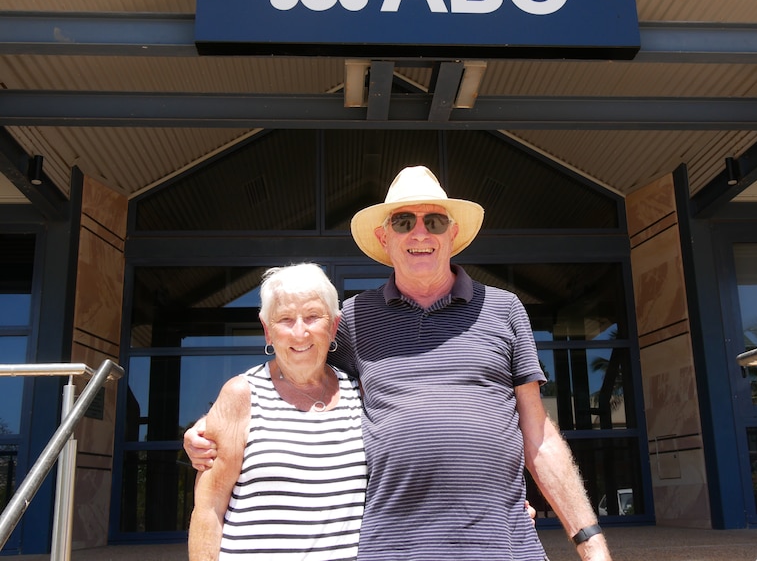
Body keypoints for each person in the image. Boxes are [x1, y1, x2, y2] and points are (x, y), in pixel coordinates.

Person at [187, 166, 612, 561]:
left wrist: (589, 541)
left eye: (435, 221)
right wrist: (214, 426)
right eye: (404, 222)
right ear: (385, 237)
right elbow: (299, 363)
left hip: (500, 542)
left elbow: (538, 433)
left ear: (453, 233)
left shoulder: (503, 309)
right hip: (393, 548)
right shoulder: (354, 319)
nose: (420, 233)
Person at [188, 264, 366, 561]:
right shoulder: (241, 395)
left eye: (312, 317)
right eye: (285, 319)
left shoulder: (358, 392)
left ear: (334, 326)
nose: (300, 332)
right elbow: (209, 509)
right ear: (267, 330)